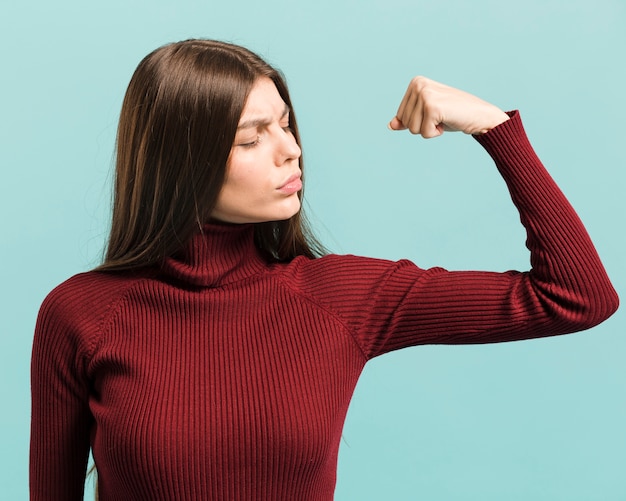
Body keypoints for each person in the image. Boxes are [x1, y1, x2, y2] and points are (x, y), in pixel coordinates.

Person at [30, 39, 619, 500]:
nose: (290, 149)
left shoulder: (340, 297)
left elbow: (576, 297)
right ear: (179, 161)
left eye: (284, 123)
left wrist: (496, 129)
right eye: (251, 138)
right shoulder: (81, 314)